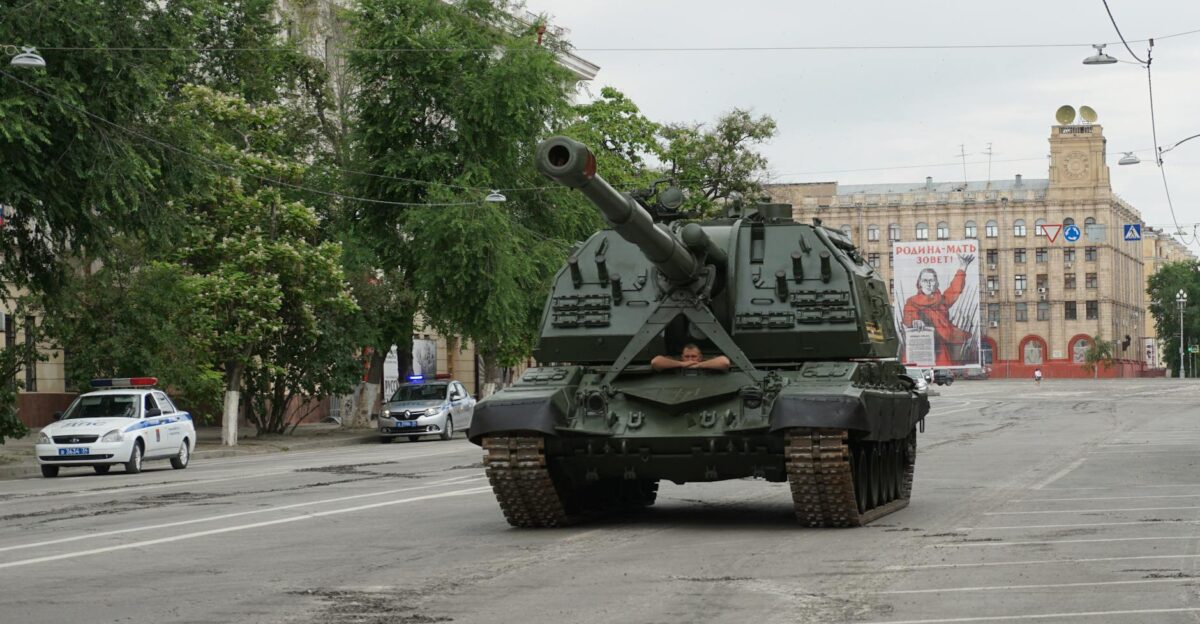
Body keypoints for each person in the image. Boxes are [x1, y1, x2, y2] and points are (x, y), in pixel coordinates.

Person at [902, 253, 977, 367]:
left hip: (939, 347)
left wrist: (963, 267)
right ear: (919, 283)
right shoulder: (911, 301)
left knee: (943, 368)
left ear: (936, 283)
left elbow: (955, 288)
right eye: (925, 280)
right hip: (918, 345)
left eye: (931, 280)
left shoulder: (942, 300)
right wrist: (914, 321)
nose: (928, 283)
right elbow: (908, 315)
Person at [651, 343, 731, 372]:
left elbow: (724, 362)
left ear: (700, 357)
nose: (690, 359)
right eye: (687, 356)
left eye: (693, 356)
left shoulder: (705, 360)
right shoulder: (677, 360)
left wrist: (699, 365)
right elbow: (656, 362)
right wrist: (681, 364)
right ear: (682, 357)